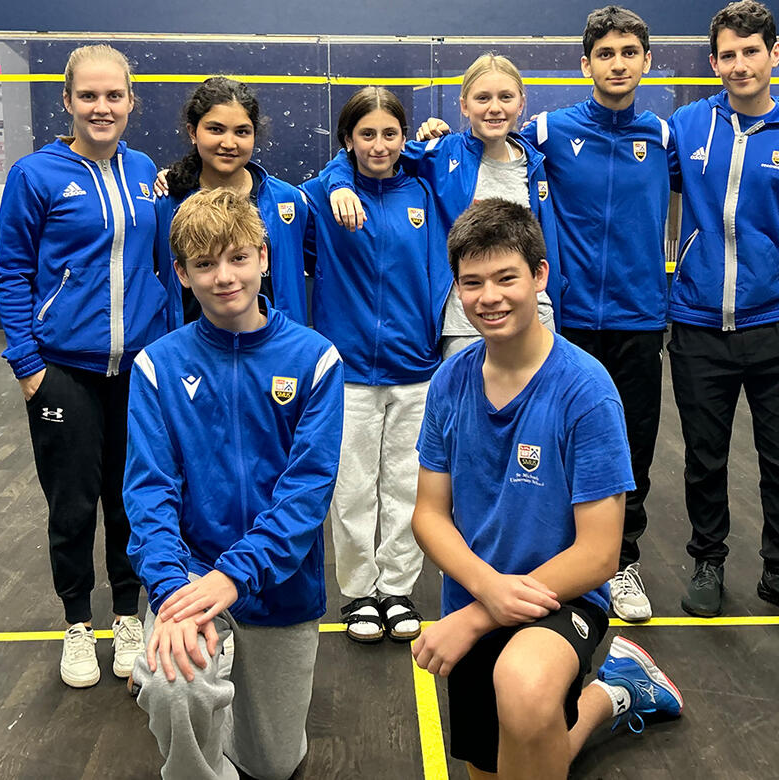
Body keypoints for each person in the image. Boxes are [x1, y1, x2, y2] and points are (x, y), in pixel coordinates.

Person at [411, 198, 682, 779]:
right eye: (472, 282)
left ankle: (599, 687)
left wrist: (483, 615)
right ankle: (614, 696)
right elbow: (429, 515)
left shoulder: (586, 390)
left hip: (562, 597)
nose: (490, 297)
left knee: (526, 692)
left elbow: (600, 553)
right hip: (478, 592)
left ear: (539, 275)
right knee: (507, 762)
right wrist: (486, 593)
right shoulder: (449, 383)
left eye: (507, 277)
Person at [124, 188, 343, 779]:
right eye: (204, 264)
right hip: (191, 578)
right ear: (181, 274)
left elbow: (307, 493)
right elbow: (149, 493)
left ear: (265, 257)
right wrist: (173, 591)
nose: (224, 277)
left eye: (238, 258)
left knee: (273, 766)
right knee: (178, 692)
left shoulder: (316, 360)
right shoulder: (157, 366)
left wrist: (237, 573)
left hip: (284, 587)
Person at [0, 44, 168, 688]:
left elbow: (158, 262)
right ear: (66, 102)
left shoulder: (145, 168)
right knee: (72, 505)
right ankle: (76, 622)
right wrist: (27, 364)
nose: (102, 107)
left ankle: (127, 616)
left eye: (113, 95)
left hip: (138, 370)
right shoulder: (35, 176)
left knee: (132, 501)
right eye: (88, 96)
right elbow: (11, 270)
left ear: (131, 101)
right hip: (62, 370)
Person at [668, 0, 779, 627]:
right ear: (713, 61)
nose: (739, 64)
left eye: (751, 51)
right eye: (727, 54)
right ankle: (709, 561)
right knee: (704, 455)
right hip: (696, 324)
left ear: (775, 55)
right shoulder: (688, 126)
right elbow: (619, 157)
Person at [517, 5, 670, 622]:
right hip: (568, 321)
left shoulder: (664, 137)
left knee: (630, 448)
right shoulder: (549, 132)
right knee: (553, 443)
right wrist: (432, 139)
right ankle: (557, 556)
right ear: (586, 65)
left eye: (628, 53)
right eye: (605, 54)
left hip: (639, 319)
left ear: (646, 61)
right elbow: (481, 150)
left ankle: (622, 561)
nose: (617, 64)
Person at [301, 88, 450, 643]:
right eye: (366, 134)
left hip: (416, 368)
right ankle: (360, 593)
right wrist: (339, 179)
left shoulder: (426, 190)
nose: (379, 144)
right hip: (349, 373)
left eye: (391, 133)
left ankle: (397, 589)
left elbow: (451, 153)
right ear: (347, 140)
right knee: (354, 487)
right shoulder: (322, 195)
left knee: (408, 487)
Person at [323, 54, 563, 358]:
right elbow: (366, 152)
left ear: (521, 102)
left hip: (534, 314)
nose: (494, 107)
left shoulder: (535, 162)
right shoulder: (439, 153)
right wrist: (340, 185)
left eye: (505, 97)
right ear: (464, 105)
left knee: (537, 404)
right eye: (482, 98)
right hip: (465, 323)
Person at [157, 77, 311, 326]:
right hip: (194, 357)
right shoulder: (167, 203)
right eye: (216, 129)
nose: (229, 143)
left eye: (241, 132)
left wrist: (341, 182)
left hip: (276, 356)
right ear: (192, 132)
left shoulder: (288, 200)